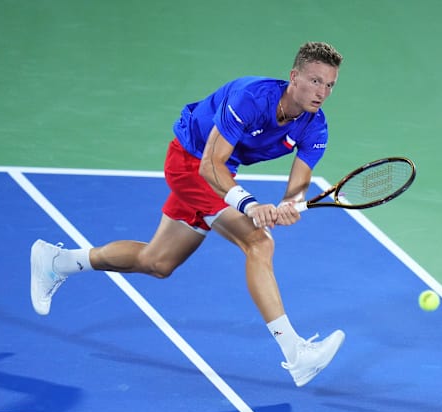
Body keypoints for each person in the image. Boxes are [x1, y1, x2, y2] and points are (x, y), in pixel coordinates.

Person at [31, 41, 345, 387]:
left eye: (330, 84)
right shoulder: (251, 98)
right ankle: (295, 354)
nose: (323, 92)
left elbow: (298, 188)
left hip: (220, 173)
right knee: (258, 243)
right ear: (293, 76)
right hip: (190, 164)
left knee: (157, 262)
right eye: (315, 81)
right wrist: (250, 205)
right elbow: (211, 165)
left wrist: (290, 205)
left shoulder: (316, 127)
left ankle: (57, 262)